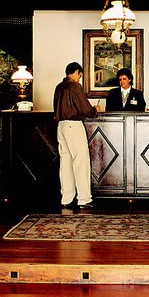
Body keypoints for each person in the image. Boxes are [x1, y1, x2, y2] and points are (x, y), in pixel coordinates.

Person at [53, 61, 100, 209]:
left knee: (65, 162)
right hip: (74, 125)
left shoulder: (59, 87)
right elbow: (86, 109)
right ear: (76, 72)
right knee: (80, 161)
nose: (80, 78)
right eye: (80, 75)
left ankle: (66, 198)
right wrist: (95, 109)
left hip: (61, 126)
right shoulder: (74, 86)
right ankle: (84, 198)